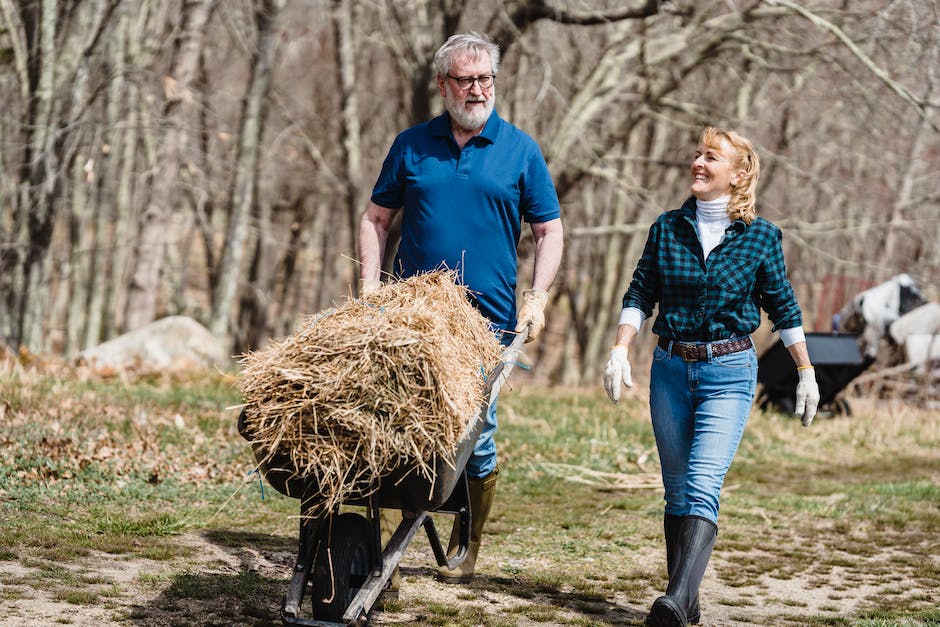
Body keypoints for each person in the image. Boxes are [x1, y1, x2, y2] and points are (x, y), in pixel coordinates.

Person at [358, 31, 564, 587]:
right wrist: (372, 291)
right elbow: (376, 219)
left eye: (485, 79)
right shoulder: (412, 145)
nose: (477, 90)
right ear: (443, 84)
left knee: (478, 431)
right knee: (399, 424)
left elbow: (549, 230)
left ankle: (466, 542)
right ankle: (383, 553)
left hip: (487, 322)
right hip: (412, 319)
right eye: (466, 80)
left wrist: (538, 297)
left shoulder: (520, 149)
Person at [603, 127, 819, 626]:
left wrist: (805, 370)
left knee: (703, 484)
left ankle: (675, 602)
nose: (698, 163)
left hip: (729, 372)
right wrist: (620, 347)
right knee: (677, 490)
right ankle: (686, 600)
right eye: (697, 154)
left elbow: (783, 307)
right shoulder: (667, 228)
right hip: (671, 370)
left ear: (739, 174)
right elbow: (640, 293)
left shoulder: (761, 237)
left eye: (712, 157)